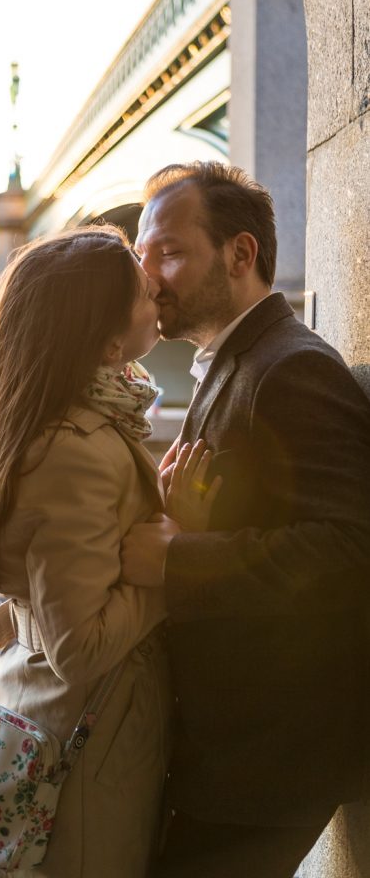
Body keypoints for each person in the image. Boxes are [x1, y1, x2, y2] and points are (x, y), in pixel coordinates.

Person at [0, 226, 215, 878]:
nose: (158, 294)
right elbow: (80, 647)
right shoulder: (73, 452)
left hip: (48, 723)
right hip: (82, 750)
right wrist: (171, 550)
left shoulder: (49, 417)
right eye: (145, 295)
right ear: (110, 343)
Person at [121, 161, 370, 878]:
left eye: (168, 252)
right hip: (231, 747)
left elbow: (349, 547)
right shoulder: (237, 360)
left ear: (239, 254)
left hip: (268, 758)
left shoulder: (289, 368)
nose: (148, 278)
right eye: (143, 258)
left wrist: (175, 560)